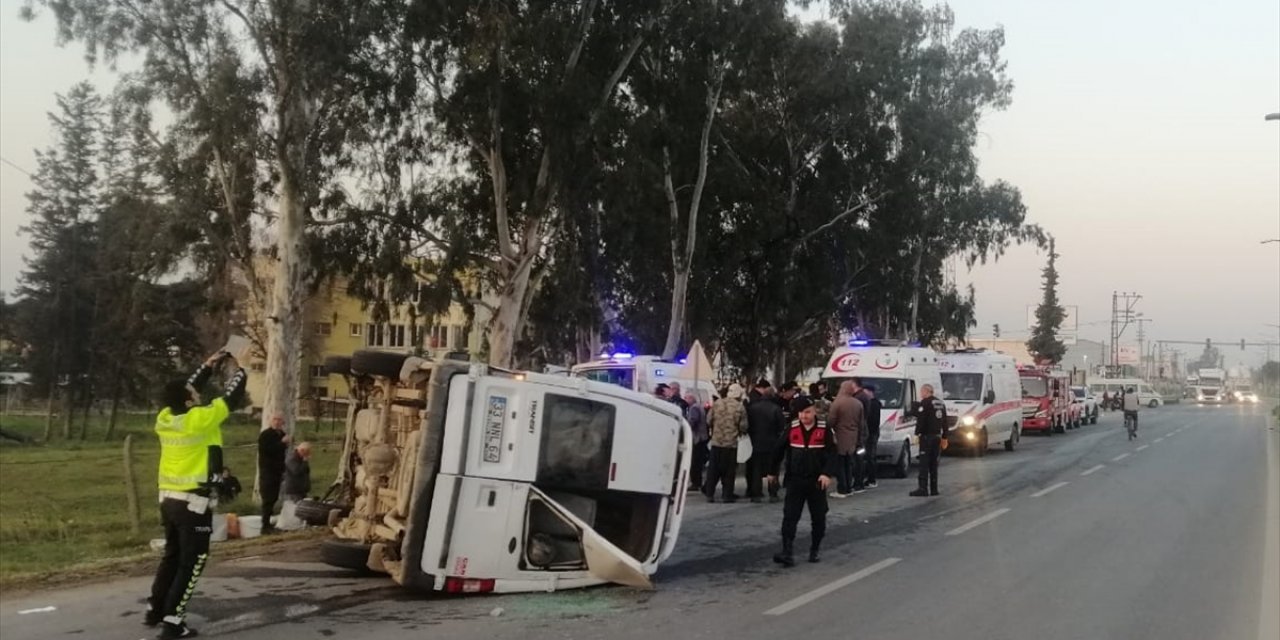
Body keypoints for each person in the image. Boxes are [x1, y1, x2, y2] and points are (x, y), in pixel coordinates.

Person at [146, 351, 246, 639]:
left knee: (172, 556)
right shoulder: (201, 419)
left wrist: (206, 366)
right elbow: (232, 398)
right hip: (194, 506)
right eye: (193, 392)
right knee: (194, 561)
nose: (196, 391)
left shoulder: (165, 418)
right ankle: (173, 622)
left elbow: (184, 389)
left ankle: (156, 608)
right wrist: (242, 368)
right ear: (190, 400)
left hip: (169, 500)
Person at [765, 397, 840, 566]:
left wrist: (827, 474)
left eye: (807, 412)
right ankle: (787, 552)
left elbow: (833, 454)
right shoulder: (791, 428)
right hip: (795, 480)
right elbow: (778, 449)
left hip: (816, 481)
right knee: (790, 517)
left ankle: (814, 550)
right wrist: (771, 472)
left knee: (819, 517)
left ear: (814, 411)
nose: (803, 416)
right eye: (800, 413)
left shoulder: (824, 428)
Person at [704, 384, 748, 502]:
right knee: (729, 472)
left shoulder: (717, 403)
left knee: (713, 470)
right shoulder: (739, 407)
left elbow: (708, 420)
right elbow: (744, 426)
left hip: (716, 442)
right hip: (731, 444)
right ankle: (727, 495)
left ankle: (709, 494)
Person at [745, 383, 787, 503]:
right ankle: (772, 492)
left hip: (756, 442)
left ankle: (756, 494)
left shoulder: (753, 407)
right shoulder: (776, 409)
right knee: (772, 469)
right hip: (772, 443)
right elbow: (781, 426)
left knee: (756, 469)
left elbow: (748, 425)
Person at [826, 381, 865, 498]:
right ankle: (849, 486)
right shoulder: (858, 404)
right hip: (853, 437)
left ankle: (842, 488)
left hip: (840, 436)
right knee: (849, 463)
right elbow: (861, 423)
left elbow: (830, 421)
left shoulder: (837, 403)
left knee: (840, 463)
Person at [909, 384, 948, 497]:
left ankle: (923, 488)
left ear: (926, 391)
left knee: (924, 464)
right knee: (934, 463)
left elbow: (921, 420)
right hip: (937, 437)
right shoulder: (940, 403)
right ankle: (934, 489)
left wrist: (917, 434)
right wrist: (945, 436)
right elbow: (944, 421)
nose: (921, 394)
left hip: (927, 437)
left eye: (922, 392)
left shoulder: (925, 403)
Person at [257, 415, 290, 534]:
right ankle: (264, 525)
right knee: (267, 498)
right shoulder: (266, 435)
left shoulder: (282, 434)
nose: (277, 422)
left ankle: (268, 524)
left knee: (274, 497)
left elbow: (282, 453)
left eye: (279, 419)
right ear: (271, 421)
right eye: (275, 419)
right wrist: (282, 443)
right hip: (267, 471)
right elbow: (268, 450)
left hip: (277, 471)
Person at [684, 392, 710, 489]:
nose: (685, 400)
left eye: (686, 398)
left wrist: (685, 428)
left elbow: (692, 421)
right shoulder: (699, 407)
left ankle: (695, 483)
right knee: (698, 462)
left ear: (691, 398)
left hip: (697, 438)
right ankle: (697, 482)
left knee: (695, 462)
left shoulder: (693, 408)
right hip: (702, 437)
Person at [860, 385, 883, 489]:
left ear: (870, 392)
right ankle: (869, 478)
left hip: (871, 433)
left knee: (870, 456)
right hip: (872, 433)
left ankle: (872, 479)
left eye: (865, 392)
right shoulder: (875, 403)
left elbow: (872, 420)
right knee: (868, 456)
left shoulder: (874, 404)